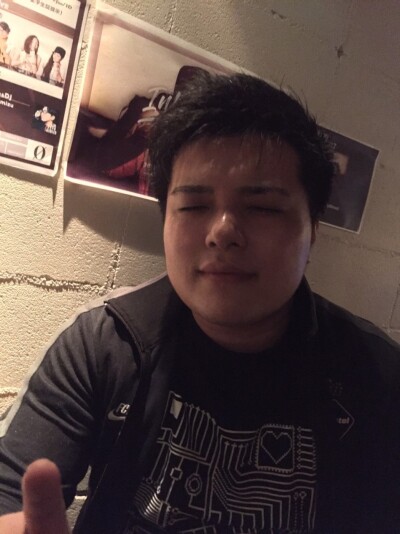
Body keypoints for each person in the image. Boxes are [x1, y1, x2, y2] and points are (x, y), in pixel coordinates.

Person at [0, 71, 399, 534]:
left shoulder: (377, 375)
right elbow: (11, 490)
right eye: (193, 206)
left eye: (263, 207)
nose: (222, 232)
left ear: (313, 229)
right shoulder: (103, 344)